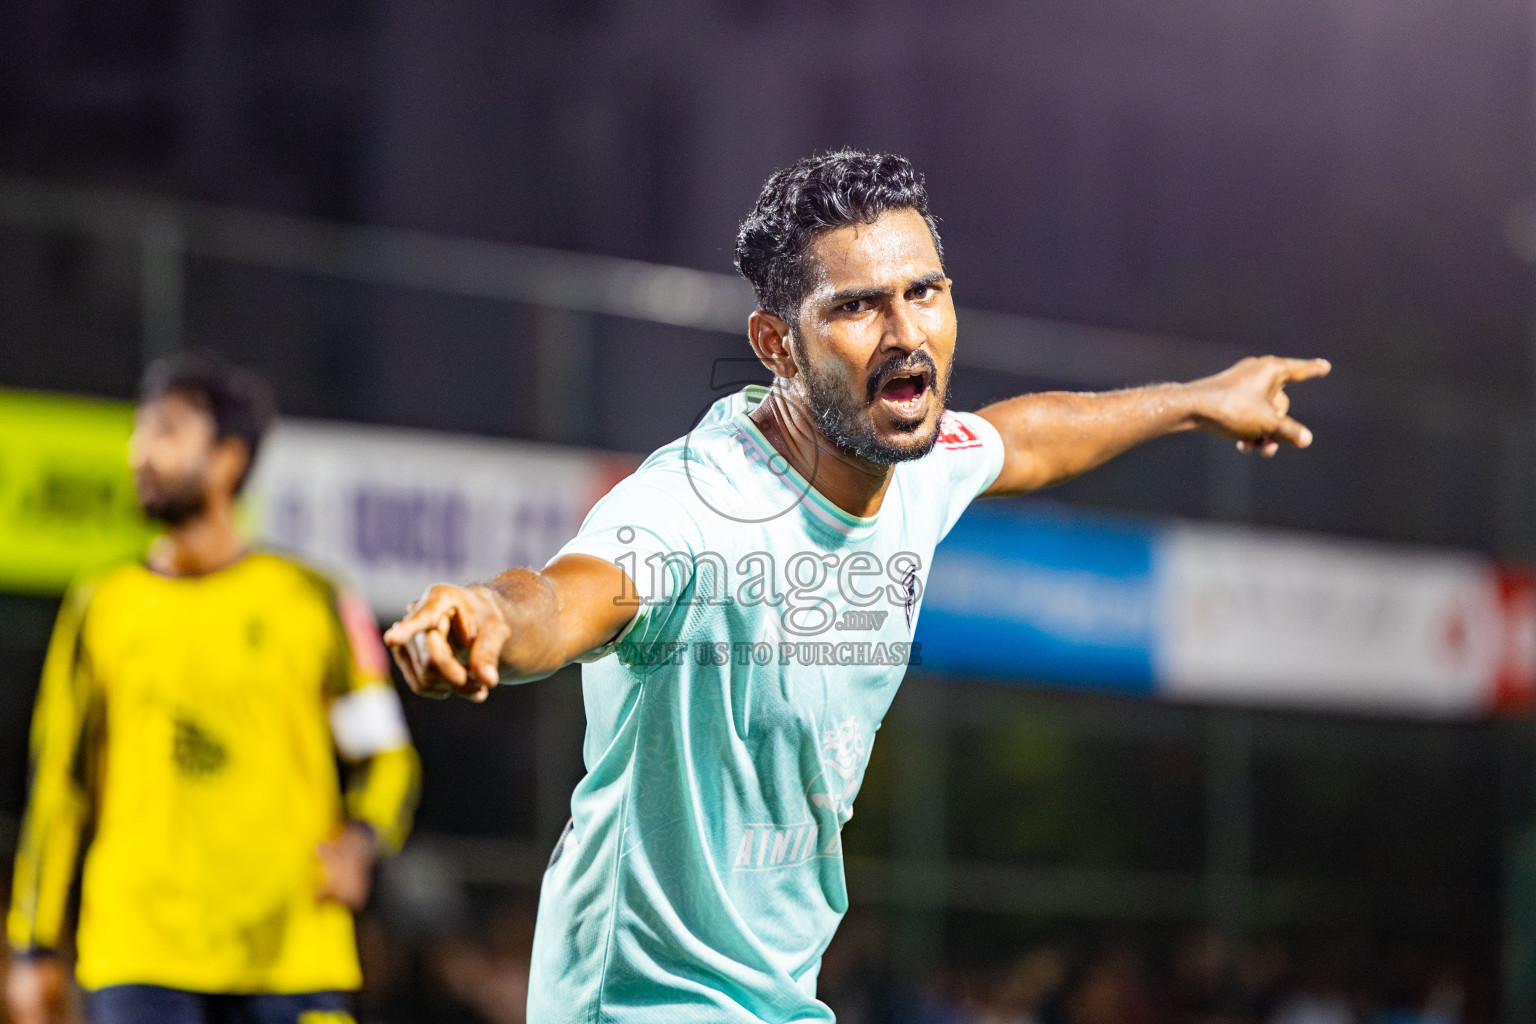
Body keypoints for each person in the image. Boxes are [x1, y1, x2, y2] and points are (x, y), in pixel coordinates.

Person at [384, 150, 1330, 1024]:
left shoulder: (912, 463)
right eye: (857, 307)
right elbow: (564, 597)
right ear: (776, 345)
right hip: (638, 1006)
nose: (906, 333)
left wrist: (1199, 400)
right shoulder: (696, 507)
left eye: (926, 293)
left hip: (778, 1001)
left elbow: (1030, 438)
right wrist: (487, 622)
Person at [7, 355, 421, 1024]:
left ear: (228, 458)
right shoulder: (99, 604)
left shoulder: (312, 600)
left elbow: (387, 758)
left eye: (167, 431)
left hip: (293, 950)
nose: (140, 451)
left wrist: (364, 842)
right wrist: (30, 947)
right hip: (138, 954)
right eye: (140, 432)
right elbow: (59, 783)